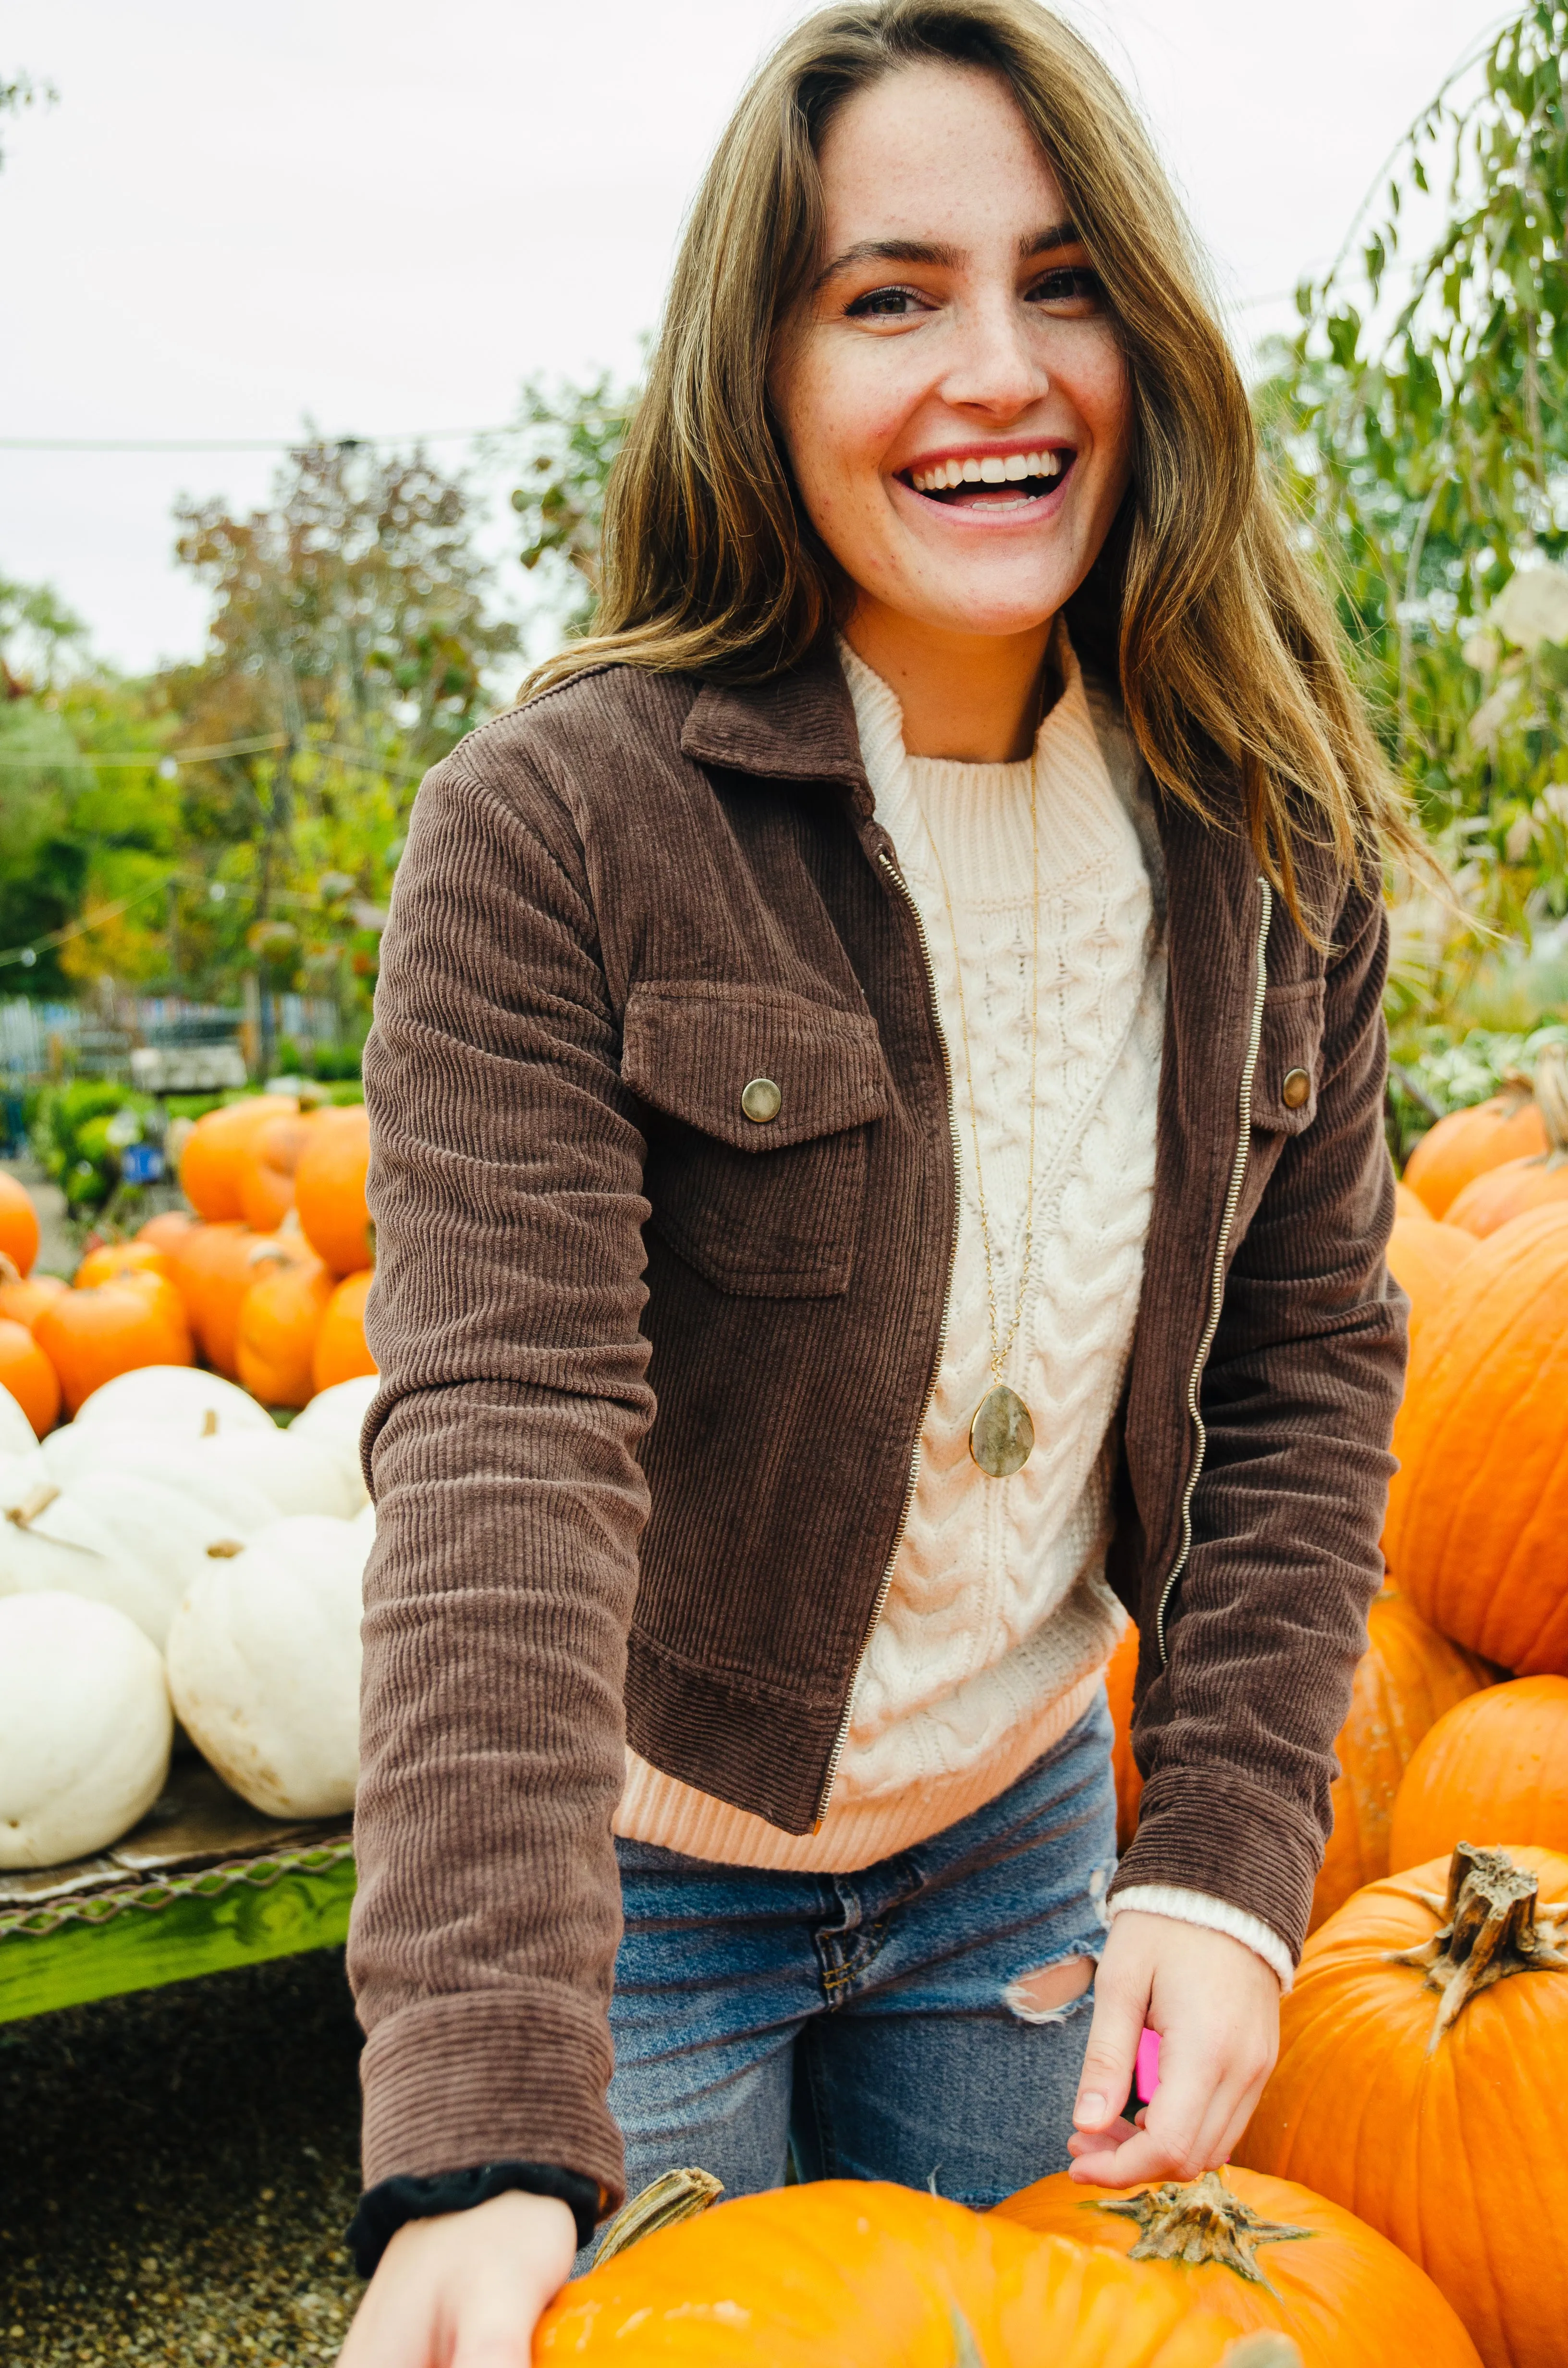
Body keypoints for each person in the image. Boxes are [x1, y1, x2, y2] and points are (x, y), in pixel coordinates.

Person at [339, 3, 1415, 2359]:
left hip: (1017, 1831)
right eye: (892, 293)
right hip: (634, 1872)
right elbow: (504, 1442)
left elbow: (1313, 1361)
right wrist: (489, 2112)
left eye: (1065, 279)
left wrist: (1226, 1868)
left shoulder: (1266, 826)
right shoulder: (562, 829)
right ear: (767, 359)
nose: (996, 372)